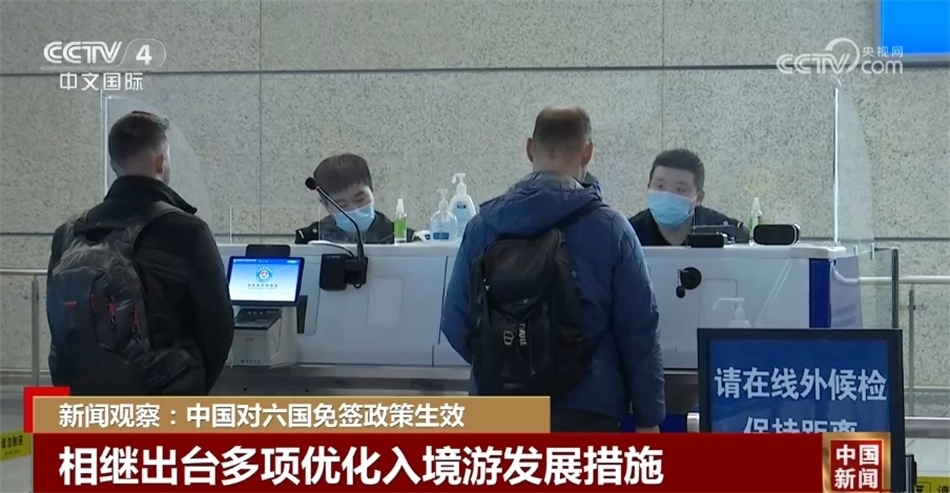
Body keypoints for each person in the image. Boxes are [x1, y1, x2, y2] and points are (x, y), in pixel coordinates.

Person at [440, 106, 665, 432]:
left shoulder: (483, 226)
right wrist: (648, 418)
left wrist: (506, 364)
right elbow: (639, 330)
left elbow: (455, 322)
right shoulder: (612, 229)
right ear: (587, 152)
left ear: (530, 148)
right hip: (586, 410)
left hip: (500, 411)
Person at [46, 111, 234, 395]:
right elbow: (217, 322)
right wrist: (192, 383)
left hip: (84, 392)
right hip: (164, 392)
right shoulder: (185, 229)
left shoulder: (69, 233)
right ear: (160, 162)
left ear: (114, 164)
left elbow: (59, 319)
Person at [629, 149, 749, 246]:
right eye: (660, 186)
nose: (668, 194)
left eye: (679, 189)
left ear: (699, 198)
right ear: (648, 187)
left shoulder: (726, 231)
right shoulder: (629, 234)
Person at [295, 153, 415, 244]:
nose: (354, 209)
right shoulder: (311, 239)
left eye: (360, 199)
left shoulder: (402, 238)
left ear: (372, 191)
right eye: (341, 205)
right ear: (326, 206)